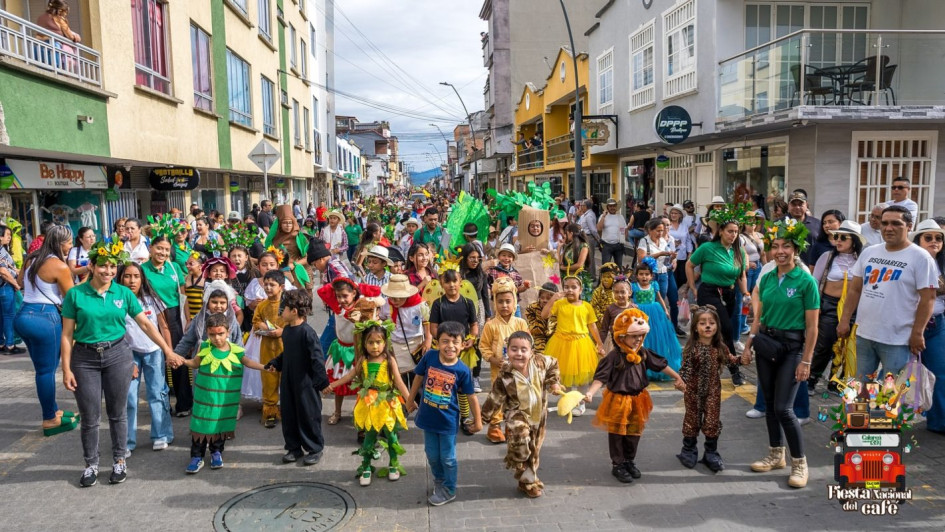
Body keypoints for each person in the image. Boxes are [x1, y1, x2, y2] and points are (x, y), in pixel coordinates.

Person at [61, 242, 183, 488]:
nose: (108, 271)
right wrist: (66, 368)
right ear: (91, 266)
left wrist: (167, 350)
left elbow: (147, 325)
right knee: (90, 415)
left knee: (118, 413)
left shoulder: (123, 293)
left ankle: (119, 460)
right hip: (84, 359)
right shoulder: (76, 294)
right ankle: (91, 464)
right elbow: (67, 334)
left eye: (112, 267)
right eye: (103, 266)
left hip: (117, 355)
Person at [741, 219, 820, 489]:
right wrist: (749, 345)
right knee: (771, 402)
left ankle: (800, 462)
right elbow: (758, 317)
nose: (780, 251)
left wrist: (806, 361)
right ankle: (776, 454)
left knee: (784, 408)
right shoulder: (767, 277)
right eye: (776, 246)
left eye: (786, 246)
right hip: (766, 344)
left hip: (793, 348)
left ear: (796, 250)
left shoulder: (806, 281)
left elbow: (812, 327)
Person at [584, 308, 684, 483]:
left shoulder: (643, 353)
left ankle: (629, 460)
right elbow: (601, 378)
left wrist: (677, 377)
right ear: (621, 337)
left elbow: (660, 365)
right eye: (634, 336)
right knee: (617, 434)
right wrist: (590, 393)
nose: (638, 340)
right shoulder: (613, 357)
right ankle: (618, 464)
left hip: (639, 399)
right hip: (618, 400)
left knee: (634, 433)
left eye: (640, 336)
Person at [838, 206, 937, 380]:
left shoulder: (921, 257)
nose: (888, 228)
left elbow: (928, 299)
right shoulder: (869, 252)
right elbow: (854, 289)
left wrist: (917, 333)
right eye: (884, 223)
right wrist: (845, 320)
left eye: (895, 223)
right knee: (860, 391)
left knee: (892, 398)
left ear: (909, 226)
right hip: (864, 334)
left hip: (897, 340)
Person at [405, 321, 483, 506]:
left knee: (447, 457)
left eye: (455, 342)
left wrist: (477, 421)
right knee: (431, 454)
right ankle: (439, 480)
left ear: (463, 344)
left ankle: (449, 489)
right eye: (445, 341)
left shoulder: (463, 370)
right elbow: (418, 376)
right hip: (427, 418)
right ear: (437, 342)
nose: (450, 346)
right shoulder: (430, 357)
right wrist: (409, 399)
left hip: (448, 422)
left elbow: (471, 396)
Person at [179, 312, 265, 473]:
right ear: (207, 333)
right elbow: (195, 363)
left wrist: (264, 367)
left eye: (220, 334)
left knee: (220, 424)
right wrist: (182, 361)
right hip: (205, 399)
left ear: (228, 331)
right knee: (201, 425)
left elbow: (248, 362)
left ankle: (216, 452)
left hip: (224, 400)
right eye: (212, 334)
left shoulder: (237, 351)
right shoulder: (204, 347)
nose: (217, 338)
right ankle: (196, 456)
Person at [326, 320, 410, 485]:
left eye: (378, 342)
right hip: (370, 404)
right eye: (370, 342)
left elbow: (399, 382)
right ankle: (365, 467)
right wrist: (332, 385)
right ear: (364, 344)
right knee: (369, 437)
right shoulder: (363, 361)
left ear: (385, 342)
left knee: (392, 436)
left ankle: (393, 464)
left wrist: (410, 401)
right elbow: (349, 377)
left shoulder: (389, 360)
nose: (375, 346)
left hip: (387, 403)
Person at [481, 331, 563, 498]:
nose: (519, 353)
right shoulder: (505, 374)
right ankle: (518, 462)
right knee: (521, 436)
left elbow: (554, 363)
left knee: (534, 450)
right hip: (516, 414)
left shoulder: (540, 362)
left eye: (523, 350)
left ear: (531, 352)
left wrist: (553, 383)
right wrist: (482, 418)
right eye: (514, 349)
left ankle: (527, 482)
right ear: (507, 350)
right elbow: (495, 397)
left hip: (539, 415)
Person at [14, 225, 75, 435]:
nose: (71, 245)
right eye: (69, 242)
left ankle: (53, 410)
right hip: (45, 317)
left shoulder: (31, 257)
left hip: (23, 315)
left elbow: (20, 281)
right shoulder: (59, 266)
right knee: (46, 371)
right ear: (60, 243)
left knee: (41, 370)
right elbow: (72, 297)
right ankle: (49, 418)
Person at [264, 289, 329, 466]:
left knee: (308, 415)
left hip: (305, 383)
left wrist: (321, 382)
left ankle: (315, 448)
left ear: (294, 311)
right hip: (288, 381)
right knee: (289, 414)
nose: (281, 312)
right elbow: (287, 354)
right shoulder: (286, 331)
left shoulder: (307, 333)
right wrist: (276, 363)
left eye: (284, 308)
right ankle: (293, 448)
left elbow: (317, 358)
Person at [685, 210, 748, 386]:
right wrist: (692, 287)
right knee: (726, 328)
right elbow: (690, 265)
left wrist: (746, 294)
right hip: (709, 292)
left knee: (716, 333)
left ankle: (707, 365)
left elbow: (741, 276)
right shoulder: (708, 248)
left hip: (730, 293)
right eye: (730, 231)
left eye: (736, 231)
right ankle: (735, 369)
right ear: (720, 231)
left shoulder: (739, 252)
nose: (733, 235)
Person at [676, 305, 741, 472]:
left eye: (711, 323)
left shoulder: (720, 347)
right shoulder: (691, 348)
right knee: (692, 419)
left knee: (712, 419)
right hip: (693, 391)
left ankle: (711, 452)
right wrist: (680, 380)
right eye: (702, 323)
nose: (707, 326)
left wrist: (743, 359)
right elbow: (686, 368)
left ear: (717, 326)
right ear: (696, 328)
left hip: (713, 390)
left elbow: (731, 360)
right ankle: (689, 450)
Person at [118, 262, 174, 454]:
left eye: (136, 276)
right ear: (120, 278)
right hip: (128, 354)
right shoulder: (116, 301)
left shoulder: (151, 300)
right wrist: (126, 360)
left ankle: (161, 434)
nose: (132, 280)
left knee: (157, 393)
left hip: (154, 351)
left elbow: (164, 327)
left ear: (142, 279)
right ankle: (126, 441)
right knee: (129, 397)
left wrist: (169, 351)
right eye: (127, 276)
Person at [808, 220, 864, 394]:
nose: (837, 240)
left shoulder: (862, 260)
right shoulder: (827, 257)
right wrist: (816, 307)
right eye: (836, 236)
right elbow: (815, 282)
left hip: (854, 308)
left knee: (848, 345)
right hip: (829, 305)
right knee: (824, 344)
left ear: (854, 241)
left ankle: (837, 381)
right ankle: (812, 378)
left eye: (843, 237)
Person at [141, 236, 189, 413]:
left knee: (177, 358)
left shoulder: (174, 268)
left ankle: (184, 403)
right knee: (157, 361)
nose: (162, 252)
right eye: (159, 248)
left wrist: (188, 319)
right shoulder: (141, 270)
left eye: (166, 249)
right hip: (151, 317)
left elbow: (182, 296)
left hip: (175, 316)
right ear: (151, 248)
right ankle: (162, 405)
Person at [480, 278, 530, 443]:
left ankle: (511, 427)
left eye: (508, 301)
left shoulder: (520, 323)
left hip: (518, 370)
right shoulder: (491, 325)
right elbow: (484, 346)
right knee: (498, 397)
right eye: (500, 302)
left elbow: (529, 344)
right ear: (494, 302)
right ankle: (494, 427)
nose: (504, 305)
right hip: (499, 371)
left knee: (515, 398)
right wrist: (493, 360)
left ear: (514, 301)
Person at [542, 276, 605, 401]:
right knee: (565, 375)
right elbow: (544, 315)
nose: (570, 290)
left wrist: (599, 343)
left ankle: (581, 401)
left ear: (580, 290)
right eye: (566, 287)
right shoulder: (559, 304)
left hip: (581, 344)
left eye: (573, 287)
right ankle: (569, 401)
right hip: (561, 343)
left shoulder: (587, 306)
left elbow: (592, 326)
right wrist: (553, 299)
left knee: (582, 376)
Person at [316, 278, 364, 426]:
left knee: (359, 384)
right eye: (338, 296)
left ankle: (359, 413)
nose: (342, 299)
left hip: (356, 350)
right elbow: (321, 291)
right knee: (338, 385)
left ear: (354, 293)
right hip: (340, 349)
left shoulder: (360, 308)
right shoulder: (337, 307)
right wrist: (339, 282)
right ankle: (337, 411)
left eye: (345, 296)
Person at [913, 219, 945, 434]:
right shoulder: (910, 261)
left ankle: (939, 422)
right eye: (928, 237)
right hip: (908, 326)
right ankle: (883, 422)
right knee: (895, 374)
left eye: (939, 238)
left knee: (940, 373)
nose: (934, 241)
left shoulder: (941, 263)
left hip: (937, 325)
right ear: (918, 240)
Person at [631, 259, 682, 381]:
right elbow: (628, 299)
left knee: (657, 339)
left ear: (651, 276)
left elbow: (660, 298)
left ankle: (656, 368)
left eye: (647, 274)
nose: (644, 277)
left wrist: (665, 310)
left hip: (655, 314)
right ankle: (642, 368)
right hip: (639, 315)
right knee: (643, 340)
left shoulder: (654, 285)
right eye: (641, 274)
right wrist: (631, 305)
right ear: (636, 276)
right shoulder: (633, 287)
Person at [255, 270, 288, 428]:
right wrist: (263, 326)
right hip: (267, 347)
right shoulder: (262, 305)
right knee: (269, 378)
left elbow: (298, 322)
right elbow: (256, 321)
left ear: (281, 286)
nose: (268, 287)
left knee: (287, 379)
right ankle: (270, 411)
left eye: (272, 285)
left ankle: (289, 410)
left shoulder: (288, 304)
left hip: (286, 347)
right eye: (265, 284)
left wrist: (282, 332)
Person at [735, 213, 766, 338]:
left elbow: (763, 254)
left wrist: (767, 268)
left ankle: (754, 323)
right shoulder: (741, 237)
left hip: (759, 267)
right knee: (746, 298)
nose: (752, 222)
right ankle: (742, 325)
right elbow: (739, 253)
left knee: (758, 296)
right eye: (749, 220)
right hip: (748, 269)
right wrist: (747, 263)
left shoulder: (760, 236)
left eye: (754, 220)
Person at [598, 278, 636, 354]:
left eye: (623, 292)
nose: (619, 295)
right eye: (616, 292)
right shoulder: (610, 309)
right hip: (614, 342)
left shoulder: (634, 308)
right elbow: (604, 329)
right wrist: (600, 344)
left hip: (630, 341)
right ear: (613, 293)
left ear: (629, 293)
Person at [786, 192, 820, 266]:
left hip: (811, 270)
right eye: (794, 204)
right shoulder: (779, 224)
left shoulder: (817, 224)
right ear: (788, 206)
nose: (797, 207)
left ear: (806, 205)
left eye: (800, 204)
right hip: (786, 269)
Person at [0, 225, 19, 354]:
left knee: (2, 317)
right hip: (5, 287)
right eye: (7, 235)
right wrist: (16, 285)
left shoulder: (3, 249)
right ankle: (10, 345)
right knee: (8, 316)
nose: (9, 237)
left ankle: (1, 343)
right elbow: (3, 271)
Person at [525, 282, 558, 354]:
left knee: (554, 352)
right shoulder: (534, 307)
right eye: (542, 298)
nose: (544, 300)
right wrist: (534, 324)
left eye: (548, 298)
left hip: (553, 335)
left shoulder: (556, 308)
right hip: (539, 335)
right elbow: (528, 312)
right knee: (540, 353)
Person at [597, 198, 627, 266]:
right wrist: (604, 216)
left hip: (618, 245)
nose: (612, 207)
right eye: (610, 206)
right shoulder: (603, 216)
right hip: (606, 245)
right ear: (607, 207)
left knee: (619, 266)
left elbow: (625, 229)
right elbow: (599, 228)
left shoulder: (620, 217)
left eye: (614, 206)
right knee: (605, 267)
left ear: (616, 207)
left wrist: (623, 240)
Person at [577, 200, 600, 280]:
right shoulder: (584, 215)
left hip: (589, 237)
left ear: (586, 206)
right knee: (584, 256)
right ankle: (587, 274)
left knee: (590, 256)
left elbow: (593, 229)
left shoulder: (589, 215)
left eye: (582, 205)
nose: (581, 207)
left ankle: (592, 275)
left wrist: (597, 239)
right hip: (583, 236)